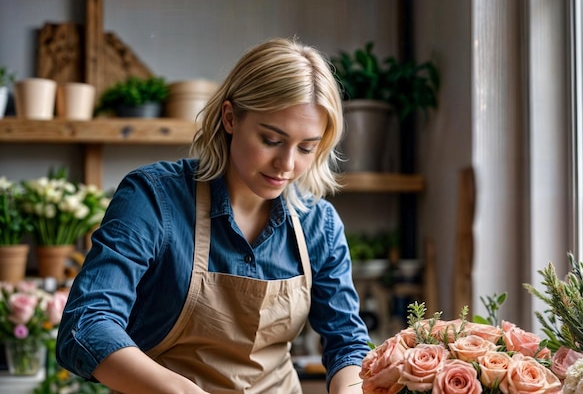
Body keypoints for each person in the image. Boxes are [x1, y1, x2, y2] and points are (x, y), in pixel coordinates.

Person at [56, 37, 371, 394]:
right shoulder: (154, 198)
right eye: (270, 140)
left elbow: (347, 343)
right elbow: (86, 324)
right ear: (230, 117)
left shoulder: (319, 225)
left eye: (306, 148)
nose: (287, 165)